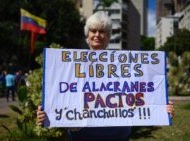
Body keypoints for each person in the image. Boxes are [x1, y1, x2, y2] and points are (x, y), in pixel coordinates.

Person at [37, 11, 175, 141]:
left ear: (108, 36)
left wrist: (161, 106)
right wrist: (47, 112)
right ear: (87, 35)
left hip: (117, 135)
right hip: (82, 135)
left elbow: (143, 88)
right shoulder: (71, 65)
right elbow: (61, 93)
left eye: (102, 31)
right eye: (93, 31)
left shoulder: (124, 64)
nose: (97, 35)